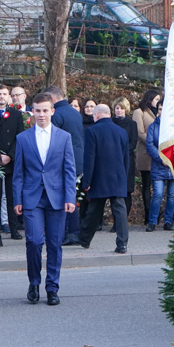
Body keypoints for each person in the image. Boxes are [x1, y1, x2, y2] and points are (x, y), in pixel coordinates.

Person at [13, 93, 76, 305]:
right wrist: (17, 199)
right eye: (37, 110)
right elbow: (18, 172)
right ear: (32, 112)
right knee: (34, 241)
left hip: (57, 197)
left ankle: (52, 287)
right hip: (32, 198)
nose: (41, 114)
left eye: (45, 110)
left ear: (52, 111)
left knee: (55, 244)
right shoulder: (23, 138)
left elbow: (69, 170)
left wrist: (70, 197)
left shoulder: (64, 137)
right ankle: (34, 282)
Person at [78, 105, 130, 253]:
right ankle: (122, 244)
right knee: (120, 211)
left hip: (99, 177)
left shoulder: (91, 131)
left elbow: (89, 158)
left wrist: (87, 181)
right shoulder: (122, 132)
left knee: (94, 210)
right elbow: (126, 158)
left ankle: (84, 239)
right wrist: (124, 176)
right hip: (118, 176)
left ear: (97, 115)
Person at [0, 85, 25, 246]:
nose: (1, 97)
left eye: (4, 94)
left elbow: (19, 136)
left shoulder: (16, 114)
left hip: (11, 161)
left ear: (9, 97)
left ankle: (14, 229)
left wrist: (10, 155)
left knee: (11, 196)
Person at [47, 86, 84, 246]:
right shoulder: (75, 113)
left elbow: (53, 142)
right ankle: (73, 232)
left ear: (53, 99)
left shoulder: (57, 115)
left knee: (63, 198)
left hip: (62, 162)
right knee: (71, 197)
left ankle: (68, 233)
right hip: (77, 160)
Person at [145, 100, 174, 231]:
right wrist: (160, 158)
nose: (162, 112)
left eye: (164, 109)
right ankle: (152, 221)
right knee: (157, 193)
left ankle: (168, 221)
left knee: (172, 194)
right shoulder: (153, 126)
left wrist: (171, 158)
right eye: (160, 109)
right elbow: (149, 145)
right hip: (158, 166)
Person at [133, 89, 160, 224]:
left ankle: (156, 214)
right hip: (146, 153)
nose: (157, 102)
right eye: (156, 99)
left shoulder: (160, 113)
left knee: (158, 186)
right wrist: (153, 143)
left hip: (159, 154)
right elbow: (139, 132)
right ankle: (147, 214)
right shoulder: (139, 112)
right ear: (149, 99)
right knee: (146, 184)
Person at [111, 97, 138, 227]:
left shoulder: (132, 124)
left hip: (127, 161)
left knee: (126, 191)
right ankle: (115, 222)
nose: (119, 111)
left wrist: (122, 154)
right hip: (112, 161)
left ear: (126, 109)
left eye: (122, 108)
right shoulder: (110, 123)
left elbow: (133, 142)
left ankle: (123, 222)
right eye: (117, 108)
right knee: (113, 192)